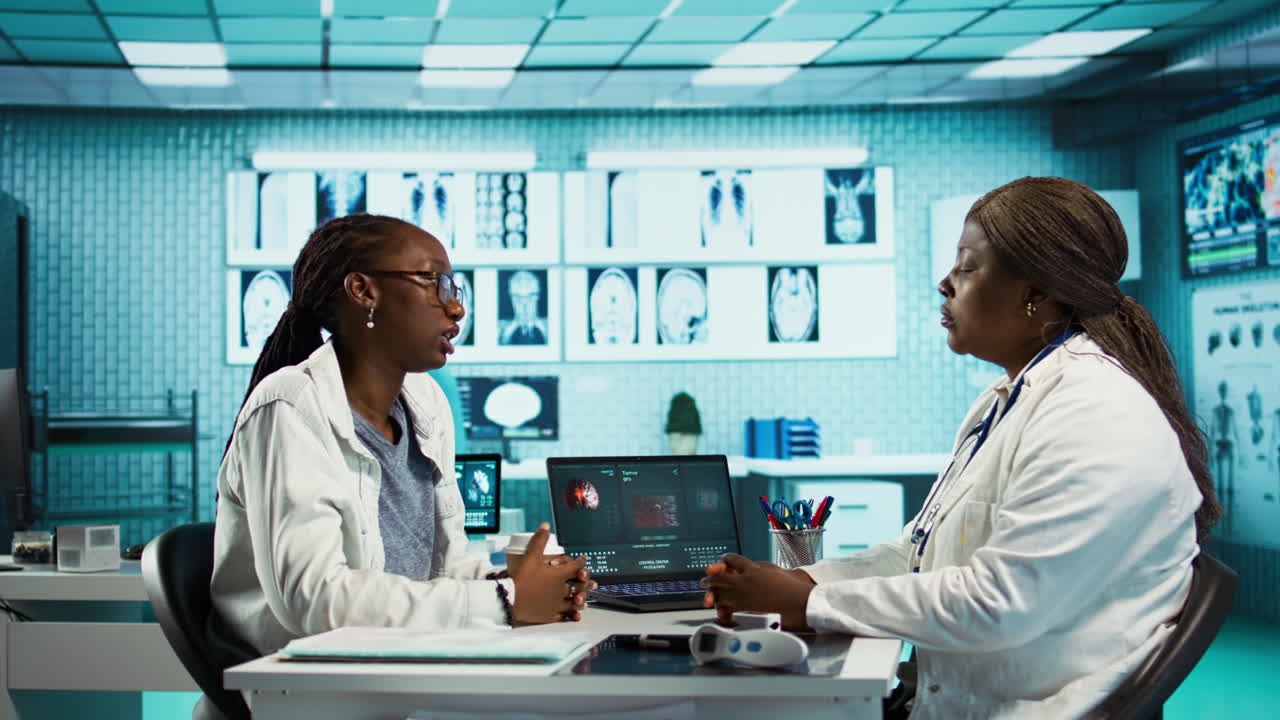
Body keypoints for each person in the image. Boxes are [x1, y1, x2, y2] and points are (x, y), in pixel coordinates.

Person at [702, 177, 1221, 719]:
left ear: (1037, 294)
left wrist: (810, 603)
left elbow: (999, 603)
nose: (945, 284)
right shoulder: (1006, 401)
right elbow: (917, 555)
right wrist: (802, 580)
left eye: (968, 267)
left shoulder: (1096, 414)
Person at [211, 214, 592, 666]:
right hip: (311, 690)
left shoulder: (424, 404)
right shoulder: (290, 408)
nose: (456, 309)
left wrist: (523, 579)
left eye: (454, 289)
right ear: (363, 291)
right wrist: (506, 600)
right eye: (433, 282)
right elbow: (313, 600)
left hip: (405, 663)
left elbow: (440, 572)